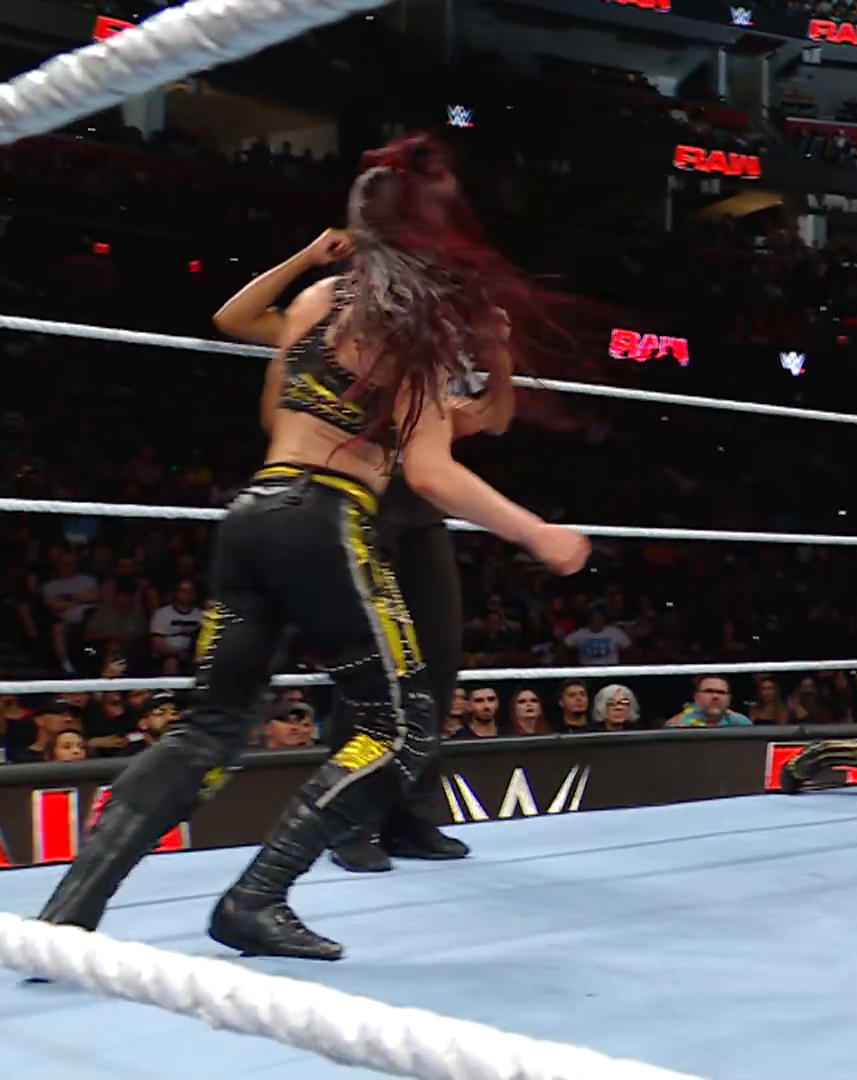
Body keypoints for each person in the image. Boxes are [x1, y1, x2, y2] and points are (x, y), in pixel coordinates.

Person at [35, 135, 590, 961]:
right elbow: (431, 472)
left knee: (210, 728)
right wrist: (537, 531)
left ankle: (66, 915)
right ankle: (256, 898)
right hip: (324, 521)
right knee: (402, 724)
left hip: (253, 513)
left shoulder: (317, 300)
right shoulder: (411, 322)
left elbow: (276, 412)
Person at [214, 217, 506, 875]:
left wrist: (496, 352)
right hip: (349, 503)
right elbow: (233, 318)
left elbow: (482, 418)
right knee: (372, 668)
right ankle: (351, 819)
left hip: (419, 508)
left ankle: (410, 814)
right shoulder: (322, 320)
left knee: (437, 663)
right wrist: (306, 256)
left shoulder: (431, 340)